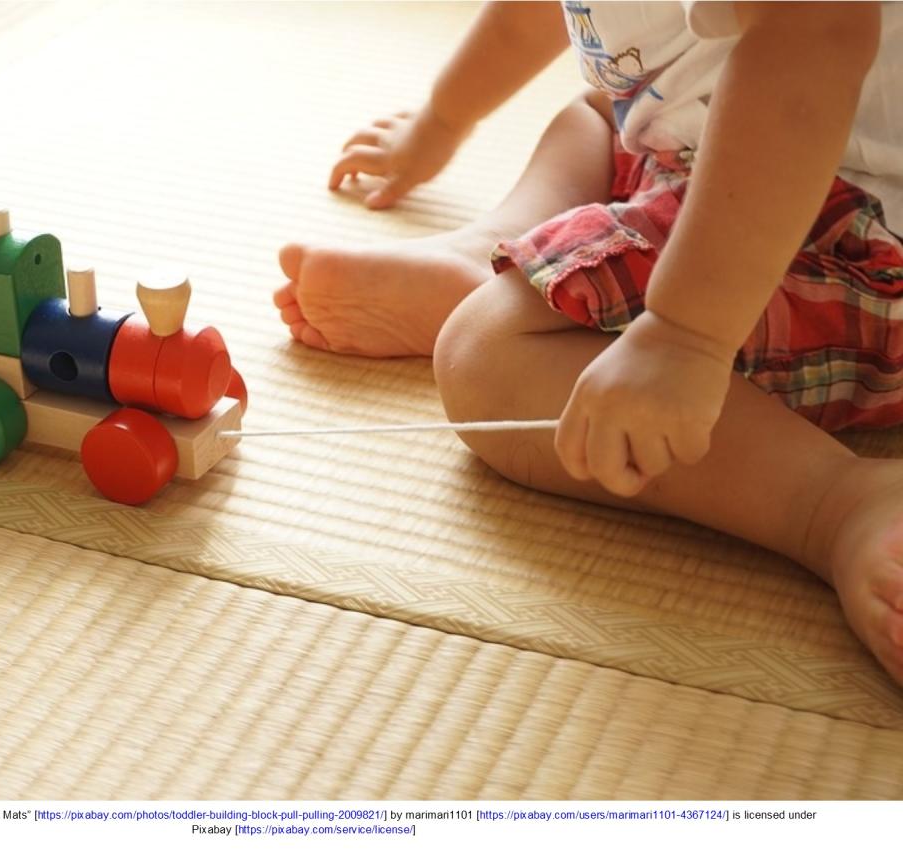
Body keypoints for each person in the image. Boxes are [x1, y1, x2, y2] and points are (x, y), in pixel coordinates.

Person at [273, 2, 903, 684]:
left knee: (488, 356)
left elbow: (817, 40)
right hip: (719, 155)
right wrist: (442, 120)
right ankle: (498, 252)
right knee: (599, 113)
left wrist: (685, 337)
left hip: (853, 238)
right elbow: (534, 12)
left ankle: (835, 502)